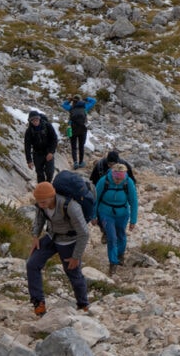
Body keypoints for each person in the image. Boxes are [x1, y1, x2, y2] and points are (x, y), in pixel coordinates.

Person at [27, 180, 90, 316]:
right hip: (51, 237)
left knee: (73, 273)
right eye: (38, 202)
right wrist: (35, 236)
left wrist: (76, 256)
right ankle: (39, 303)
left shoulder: (71, 207)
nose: (41, 205)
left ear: (52, 196)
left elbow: (84, 233)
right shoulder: (41, 204)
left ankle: (83, 305)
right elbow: (39, 220)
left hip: (69, 241)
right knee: (32, 264)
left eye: (43, 202)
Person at [95, 163, 138, 277]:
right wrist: (93, 215)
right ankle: (113, 263)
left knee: (121, 235)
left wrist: (133, 220)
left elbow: (133, 202)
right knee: (112, 237)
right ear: (112, 175)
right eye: (116, 178)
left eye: (120, 178)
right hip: (106, 213)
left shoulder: (128, 183)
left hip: (122, 214)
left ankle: (120, 255)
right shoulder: (104, 181)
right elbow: (95, 198)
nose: (118, 181)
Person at [24, 111, 59, 185]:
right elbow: (27, 146)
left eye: (36, 119)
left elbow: (54, 139)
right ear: (30, 121)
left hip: (48, 152)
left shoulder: (47, 126)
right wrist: (29, 160)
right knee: (39, 174)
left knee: (50, 171)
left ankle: (48, 185)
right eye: (33, 120)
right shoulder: (29, 131)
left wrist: (51, 152)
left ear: (39, 118)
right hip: (37, 153)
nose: (35, 121)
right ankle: (42, 189)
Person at [62, 94, 96, 168]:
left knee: (73, 147)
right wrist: (86, 98)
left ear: (73, 101)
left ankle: (75, 163)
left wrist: (69, 100)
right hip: (83, 129)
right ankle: (81, 162)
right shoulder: (85, 108)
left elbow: (63, 105)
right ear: (80, 100)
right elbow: (94, 101)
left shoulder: (71, 108)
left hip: (72, 129)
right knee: (81, 146)